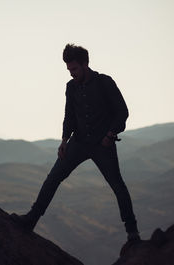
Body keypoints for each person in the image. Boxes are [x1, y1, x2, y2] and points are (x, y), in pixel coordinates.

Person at [11, 44, 140, 243]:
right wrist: (63, 140)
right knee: (52, 178)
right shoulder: (70, 87)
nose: (72, 74)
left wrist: (110, 135)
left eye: (75, 69)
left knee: (117, 186)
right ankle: (31, 220)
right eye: (69, 70)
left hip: (102, 145)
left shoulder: (105, 82)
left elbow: (122, 112)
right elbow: (69, 115)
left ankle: (133, 234)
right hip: (77, 143)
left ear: (86, 64)